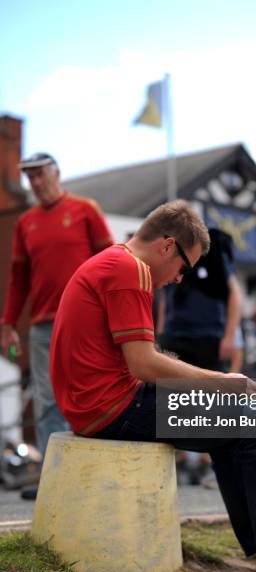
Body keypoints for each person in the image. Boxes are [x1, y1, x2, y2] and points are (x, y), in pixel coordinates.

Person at [50, 201, 256, 572]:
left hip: (100, 403)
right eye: (184, 267)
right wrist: (222, 381)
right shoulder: (130, 270)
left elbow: (142, 362)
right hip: (112, 408)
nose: (181, 279)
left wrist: (221, 387)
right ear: (166, 246)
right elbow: (145, 364)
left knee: (239, 421)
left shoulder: (115, 262)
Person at [1, 152, 113, 497]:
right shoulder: (26, 223)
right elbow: (18, 279)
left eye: (40, 174)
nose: (35, 182)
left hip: (84, 322)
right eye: (29, 176)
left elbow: (110, 261)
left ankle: (92, 476)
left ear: (57, 174)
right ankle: (56, 481)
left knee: (88, 396)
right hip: (41, 326)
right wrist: (7, 324)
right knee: (48, 402)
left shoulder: (85, 210)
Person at [157, 228, 241, 484]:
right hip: (175, 334)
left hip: (207, 335)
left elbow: (234, 294)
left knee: (212, 400)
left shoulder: (213, 253)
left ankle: (213, 463)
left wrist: (229, 335)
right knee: (172, 397)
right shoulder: (172, 251)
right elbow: (164, 295)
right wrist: (162, 330)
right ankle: (176, 461)